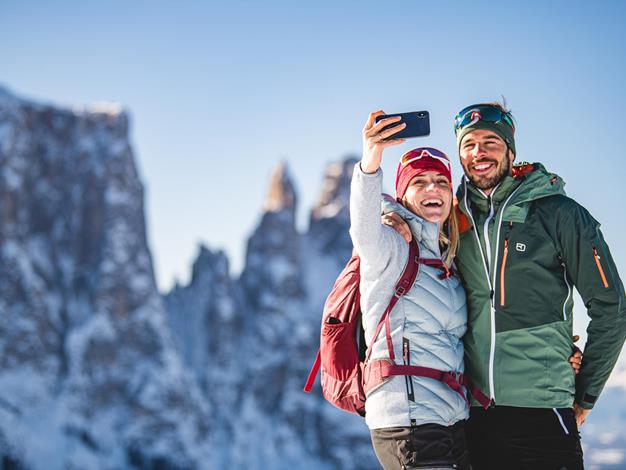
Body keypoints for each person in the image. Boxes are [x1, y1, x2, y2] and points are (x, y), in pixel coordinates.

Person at [382, 102, 626, 469]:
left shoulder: (558, 213)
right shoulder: (453, 217)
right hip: (473, 417)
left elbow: (612, 307)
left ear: (510, 150)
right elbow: (412, 212)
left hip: (544, 410)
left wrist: (585, 395)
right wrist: (390, 216)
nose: (478, 152)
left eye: (490, 142)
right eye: (468, 144)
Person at [351, 111, 472, 469]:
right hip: (408, 421)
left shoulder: (448, 260)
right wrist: (371, 159)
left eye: (441, 181)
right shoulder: (391, 245)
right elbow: (364, 231)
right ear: (402, 195)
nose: (433, 189)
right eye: (420, 182)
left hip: (453, 418)